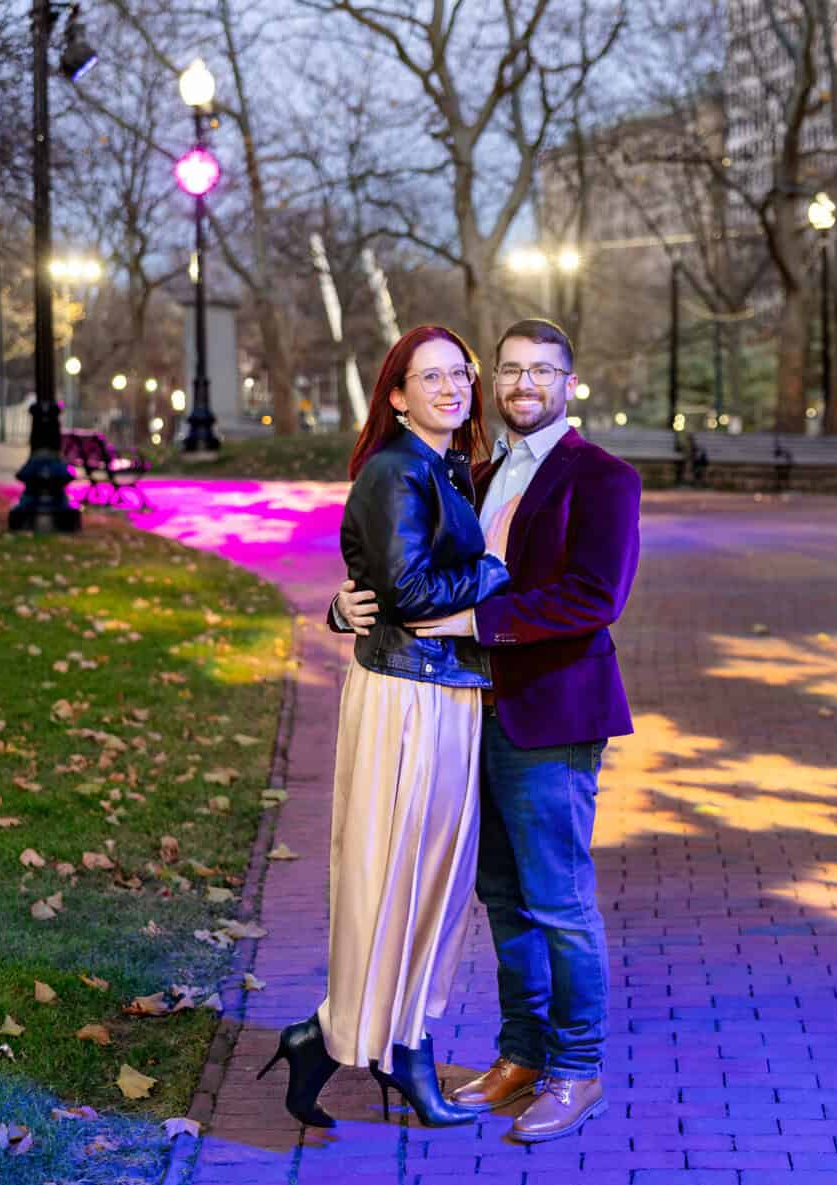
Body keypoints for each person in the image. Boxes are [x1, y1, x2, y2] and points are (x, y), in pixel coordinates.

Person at [335, 318, 641, 1143]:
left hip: (553, 714)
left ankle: (577, 1069)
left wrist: (478, 619)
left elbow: (593, 598)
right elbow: (405, 570)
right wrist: (343, 605)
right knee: (502, 897)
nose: (523, 385)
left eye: (543, 371)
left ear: (569, 382)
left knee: (559, 900)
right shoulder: (476, 471)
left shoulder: (603, 478)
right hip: (473, 712)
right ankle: (521, 1055)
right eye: (509, 370)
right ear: (493, 381)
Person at [260, 325, 519, 1129]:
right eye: (430, 377)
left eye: (460, 375)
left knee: (434, 885)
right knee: (394, 874)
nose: (452, 388)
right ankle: (360, 1041)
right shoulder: (394, 469)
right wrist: (497, 565)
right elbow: (407, 591)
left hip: (444, 692)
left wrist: (351, 604)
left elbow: (386, 584)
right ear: (397, 394)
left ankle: (383, 1041)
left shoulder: (445, 466)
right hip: (406, 699)